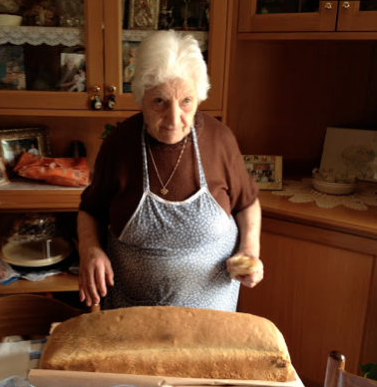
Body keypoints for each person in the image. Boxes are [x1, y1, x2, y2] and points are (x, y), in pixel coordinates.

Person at [78, 30, 264, 310]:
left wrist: (249, 250)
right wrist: (90, 249)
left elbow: (247, 203)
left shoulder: (220, 140)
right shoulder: (119, 145)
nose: (174, 119)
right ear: (141, 99)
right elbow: (91, 210)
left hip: (211, 309)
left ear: (199, 98)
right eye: (160, 102)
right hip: (132, 309)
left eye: (186, 101)